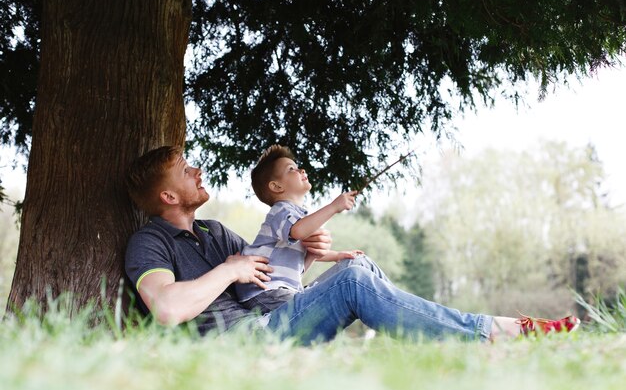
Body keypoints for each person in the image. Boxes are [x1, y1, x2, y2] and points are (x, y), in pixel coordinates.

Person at [124, 145, 580, 344]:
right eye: (186, 171)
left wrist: (304, 255)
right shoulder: (149, 242)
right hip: (242, 343)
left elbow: (270, 278)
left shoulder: (215, 232)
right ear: (167, 196)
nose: (198, 172)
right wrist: (228, 270)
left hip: (274, 321)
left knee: (357, 269)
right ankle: (495, 335)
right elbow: (166, 309)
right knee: (353, 282)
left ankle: (458, 337)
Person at [235, 145, 364, 313]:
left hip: (278, 290)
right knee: (314, 312)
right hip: (264, 290)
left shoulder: (298, 217)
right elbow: (298, 232)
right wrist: (333, 207)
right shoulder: (280, 211)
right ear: (276, 186)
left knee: (315, 307)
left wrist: (338, 255)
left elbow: (306, 248)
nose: (301, 170)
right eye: (292, 169)